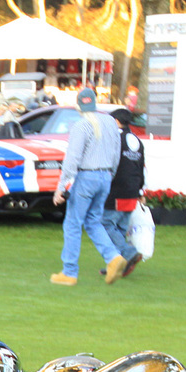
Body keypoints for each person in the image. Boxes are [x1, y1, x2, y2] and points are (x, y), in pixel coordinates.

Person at [51, 88, 126, 286]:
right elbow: (117, 152)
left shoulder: (81, 126)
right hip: (105, 175)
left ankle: (69, 272)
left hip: (86, 177)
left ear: (79, 106)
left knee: (73, 224)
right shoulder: (110, 122)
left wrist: (61, 186)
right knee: (93, 221)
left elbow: (72, 159)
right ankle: (113, 257)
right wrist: (110, 174)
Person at [101, 107, 145, 278]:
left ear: (117, 122)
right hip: (132, 189)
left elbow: (109, 166)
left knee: (105, 224)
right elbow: (141, 167)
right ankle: (116, 264)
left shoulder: (114, 140)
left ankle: (129, 252)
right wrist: (140, 189)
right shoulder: (137, 141)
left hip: (116, 189)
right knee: (119, 228)